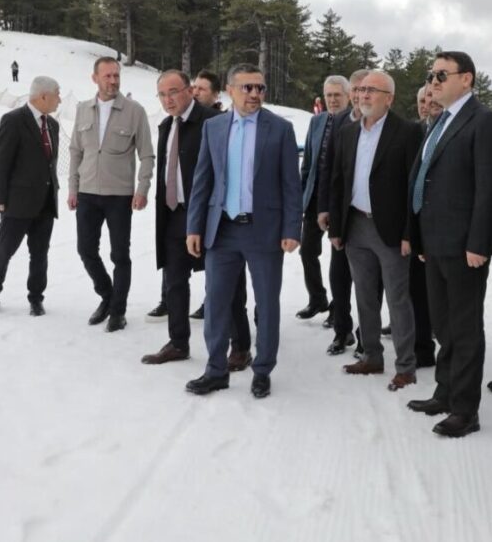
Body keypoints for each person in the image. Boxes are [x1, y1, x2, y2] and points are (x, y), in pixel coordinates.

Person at [405, 51, 492, 438]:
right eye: (431, 75)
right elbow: (425, 181)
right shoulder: (438, 123)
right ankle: (445, 392)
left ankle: (466, 409)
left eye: (441, 75)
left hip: (465, 246)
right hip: (435, 242)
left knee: (464, 329)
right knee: (444, 325)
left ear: (467, 79)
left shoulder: (485, 123)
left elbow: (487, 190)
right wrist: (420, 237)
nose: (433, 82)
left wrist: (479, 242)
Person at [185, 63, 301, 399]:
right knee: (217, 302)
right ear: (231, 91)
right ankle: (215, 370)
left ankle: (262, 370)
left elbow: (291, 184)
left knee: (267, 303)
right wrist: (194, 225)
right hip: (221, 231)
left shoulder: (279, 129)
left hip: (263, 231)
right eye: (247, 88)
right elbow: (202, 181)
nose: (254, 94)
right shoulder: (215, 128)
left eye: (260, 88)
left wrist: (292, 227)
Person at [327, 70, 424, 390]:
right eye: (362, 89)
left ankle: (406, 365)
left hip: (392, 230)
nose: (364, 95)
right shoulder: (348, 132)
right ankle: (371, 356)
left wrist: (411, 233)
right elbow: (338, 181)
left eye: (373, 91)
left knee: (398, 299)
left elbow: (415, 187)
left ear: (390, 98)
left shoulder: (408, 132)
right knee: (365, 296)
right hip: (355, 226)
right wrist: (337, 228)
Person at [68, 57, 155, 332]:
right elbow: (75, 152)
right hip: (87, 193)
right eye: (107, 76)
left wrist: (142, 189)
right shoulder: (83, 110)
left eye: (116, 76)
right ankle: (107, 296)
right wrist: (73, 188)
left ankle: (118, 311)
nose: (113, 81)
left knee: (120, 255)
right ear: (95, 78)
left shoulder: (134, 111)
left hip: (119, 196)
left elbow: (147, 155)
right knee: (86, 250)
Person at [140, 70, 221, 364]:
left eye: (173, 92)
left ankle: (238, 346)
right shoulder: (166, 126)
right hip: (175, 215)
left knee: (223, 282)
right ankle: (178, 342)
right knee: (174, 281)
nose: (168, 99)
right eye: (162, 94)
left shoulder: (212, 122)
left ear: (189, 90)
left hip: (210, 217)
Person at [0, 76, 62, 315]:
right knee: (5, 248)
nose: (60, 99)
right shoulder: (13, 121)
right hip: (18, 202)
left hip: (46, 201)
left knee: (40, 253)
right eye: (57, 94)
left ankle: (36, 297)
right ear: (43, 96)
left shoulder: (53, 126)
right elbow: (1, 162)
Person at [317, 69, 370, 354]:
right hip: (342, 216)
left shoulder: (386, 125)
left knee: (369, 283)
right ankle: (342, 330)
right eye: (358, 90)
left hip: (371, 220)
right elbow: (329, 170)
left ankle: (366, 334)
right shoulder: (338, 123)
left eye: (367, 89)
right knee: (339, 276)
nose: (362, 95)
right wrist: (324, 207)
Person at [297, 76, 350, 321]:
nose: (332, 100)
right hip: (315, 195)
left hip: (340, 200)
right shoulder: (316, 121)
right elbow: (307, 162)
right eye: (328, 95)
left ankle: (339, 308)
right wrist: (302, 193)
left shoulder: (354, 122)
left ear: (348, 96)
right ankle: (317, 298)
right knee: (307, 250)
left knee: (339, 258)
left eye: (337, 95)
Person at [408, 86, 437, 368]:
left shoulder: (449, 129)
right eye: (421, 99)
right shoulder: (413, 132)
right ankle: (422, 343)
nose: (426, 103)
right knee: (416, 286)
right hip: (416, 222)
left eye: (430, 97)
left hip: (441, 226)